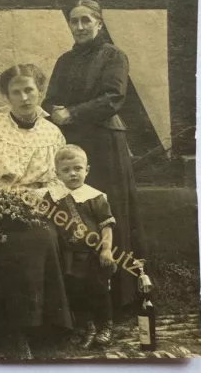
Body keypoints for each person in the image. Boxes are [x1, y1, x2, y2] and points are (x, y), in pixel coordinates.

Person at [43, 0, 146, 307]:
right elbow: (50, 100)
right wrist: (56, 111)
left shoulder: (113, 56)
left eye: (86, 20)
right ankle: (84, 298)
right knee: (77, 214)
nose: (79, 26)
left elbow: (114, 97)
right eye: (74, 21)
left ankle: (124, 295)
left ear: (99, 24)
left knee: (107, 213)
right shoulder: (64, 60)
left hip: (104, 145)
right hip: (74, 147)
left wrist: (71, 113)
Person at [0, 64, 72, 359]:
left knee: (42, 238)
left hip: (40, 202)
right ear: (5, 95)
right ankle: (16, 332)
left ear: (41, 92)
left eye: (29, 90)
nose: (24, 97)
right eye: (16, 91)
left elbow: (60, 180)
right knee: (11, 242)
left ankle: (43, 326)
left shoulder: (53, 133)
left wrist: (38, 199)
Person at [47, 145, 117, 348]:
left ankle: (105, 325)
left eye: (78, 168)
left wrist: (106, 249)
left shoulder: (95, 197)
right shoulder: (53, 196)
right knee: (75, 292)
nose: (73, 174)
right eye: (66, 170)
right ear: (57, 173)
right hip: (68, 256)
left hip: (92, 255)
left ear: (87, 170)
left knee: (98, 291)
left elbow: (107, 226)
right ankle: (86, 327)